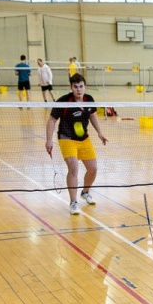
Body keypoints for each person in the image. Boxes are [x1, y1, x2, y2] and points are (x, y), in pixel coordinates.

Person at [45, 74, 108, 215]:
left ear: (85, 86)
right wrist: (49, 140)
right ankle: (73, 202)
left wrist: (100, 132)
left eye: (81, 86)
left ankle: (85, 192)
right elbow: (51, 120)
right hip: (66, 138)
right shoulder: (64, 102)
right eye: (75, 87)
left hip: (84, 138)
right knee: (73, 168)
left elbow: (92, 115)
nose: (79, 90)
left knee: (93, 169)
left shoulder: (89, 100)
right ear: (71, 88)